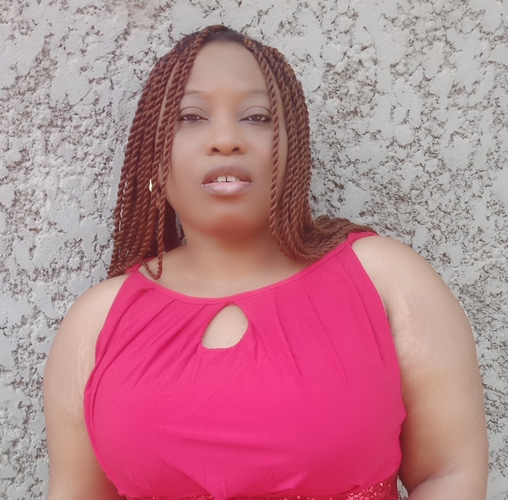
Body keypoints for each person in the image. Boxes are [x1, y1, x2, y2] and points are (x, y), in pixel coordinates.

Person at [43, 25, 488, 500]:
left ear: (294, 149)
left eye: (256, 117)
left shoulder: (386, 281)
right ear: (151, 158)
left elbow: (450, 472)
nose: (225, 139)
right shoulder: (96, 322)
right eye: (190, 116)